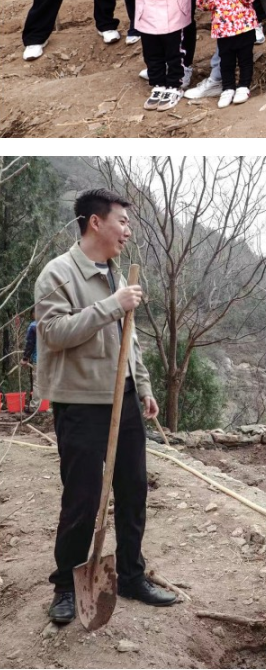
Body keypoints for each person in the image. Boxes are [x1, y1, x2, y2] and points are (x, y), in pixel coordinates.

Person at [35, 188, 175, 625]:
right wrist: (110, 307)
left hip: (125, 397)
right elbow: (54, 333)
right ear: (96, 222)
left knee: (133, 490)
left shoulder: (118, 275)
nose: (128, 231)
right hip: (80, 401)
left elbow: (129, 338)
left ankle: (131, 575)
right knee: (82, 496)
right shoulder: (58, 274)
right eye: (122, 222)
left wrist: (145, 385)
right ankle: (65, 584)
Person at [196, 0, 258, 108]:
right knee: (226, 60)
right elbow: (204, 6)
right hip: (223, 29)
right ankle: (227, 88)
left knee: (245, 59)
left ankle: (244, 86)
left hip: (245, 26)